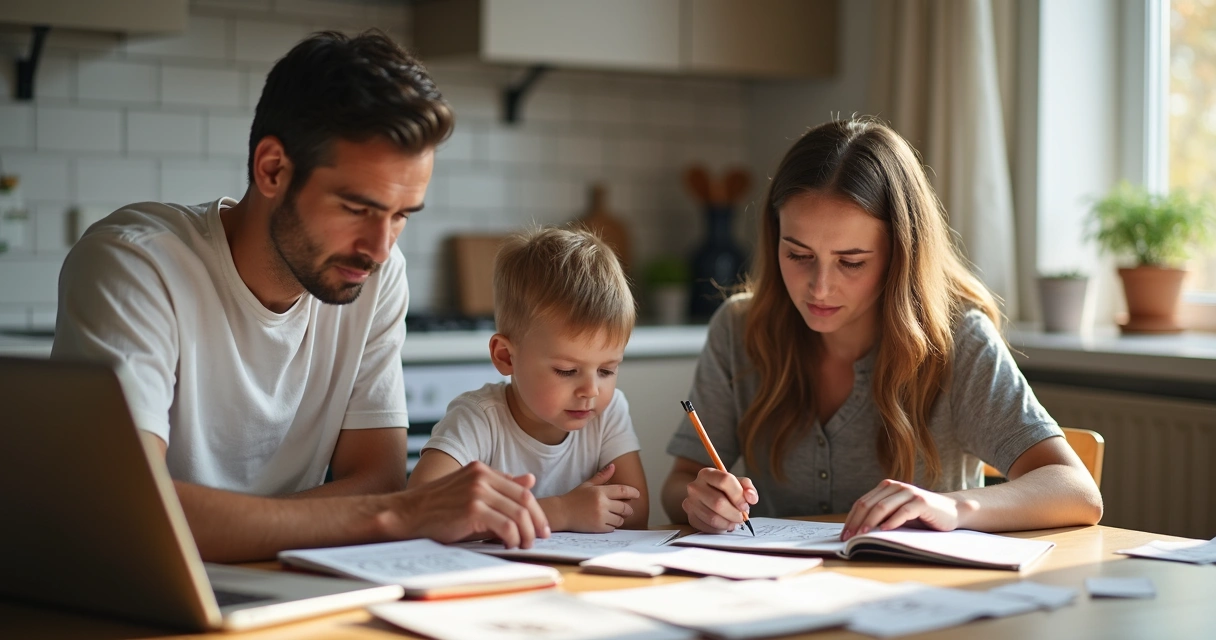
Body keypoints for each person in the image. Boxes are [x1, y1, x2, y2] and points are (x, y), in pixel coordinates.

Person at [51, 31, 549, 563]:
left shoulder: (377, 277)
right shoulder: (136, 265)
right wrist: (396, 515)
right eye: (357, 209)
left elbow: (375, 477)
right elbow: (130, 511)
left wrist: (366, 510)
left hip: (289, 579)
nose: (380, 249)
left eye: (401, 215)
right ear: (272, 170)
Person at [661, 119, 1103, 540]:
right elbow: (680, 482)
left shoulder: (956, 342)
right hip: (774, 597)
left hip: (917, 603)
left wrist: (953, 508)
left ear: (899, 255)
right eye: (798, 254)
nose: (819, 286)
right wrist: (699, 502)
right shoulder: (740, 329)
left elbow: (1075, 491)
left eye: (851, 262)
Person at [408, 227, 648, 532]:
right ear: (506, 357)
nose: (591, 390)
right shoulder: (478, 418)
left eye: (606, 371)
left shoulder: (609, 412)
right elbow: (419, 507)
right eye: (566, 371)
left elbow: (636, 511)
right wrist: (560, 512)